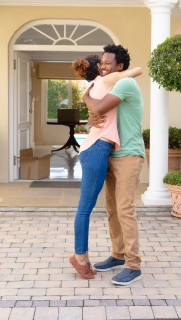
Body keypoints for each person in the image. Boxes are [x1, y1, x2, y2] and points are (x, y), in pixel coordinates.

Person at [69, 54, 143, 280]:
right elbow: (98, 113)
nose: (103, 66)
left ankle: (133, 264)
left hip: (128, 153)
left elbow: (100, 107)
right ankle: (118, 254)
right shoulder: (105, 84)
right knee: (111, 209)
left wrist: (86, 97)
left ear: (119, 66)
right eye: (100, 63)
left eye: (107, 63)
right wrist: (90, 116)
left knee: (124, 209)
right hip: (108, 151)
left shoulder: (124, 82)